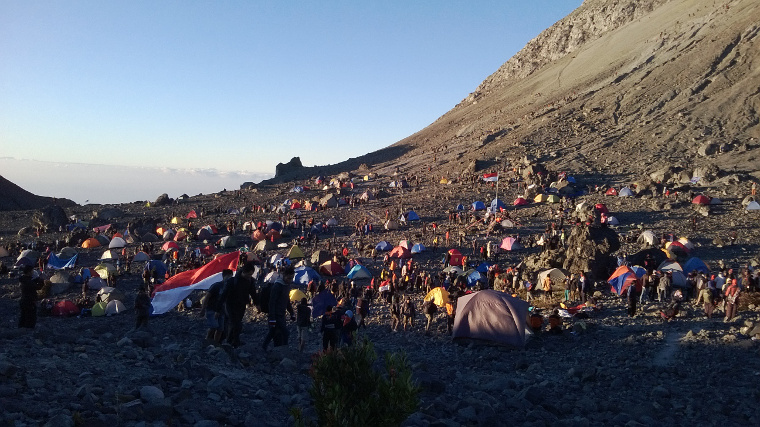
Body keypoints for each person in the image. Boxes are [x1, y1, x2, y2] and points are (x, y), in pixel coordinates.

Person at [220, 262, 257, 348]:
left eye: (251, 274)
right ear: (243, 272)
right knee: (236, 324)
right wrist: (218, 309)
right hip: (230, 305)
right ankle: (232, 341)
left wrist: (257, 303)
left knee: (236, 323)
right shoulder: (233, 281)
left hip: (241, 305)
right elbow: (224, 295)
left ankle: (232, 341)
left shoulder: (250, 281)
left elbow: (253, 293)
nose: (249, 276)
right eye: (248, 274)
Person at [265, 265, 295, 349]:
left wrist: (292, 313)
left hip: (282, 314)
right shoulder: (277, 286)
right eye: (289, 278)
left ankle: (264, 347)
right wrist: (272, 318)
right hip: (276, 315)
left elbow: (287, 301)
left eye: (292, 278)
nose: (290, 280)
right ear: (284, 275)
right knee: (285, 333)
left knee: (273, 332)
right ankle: (284, 350)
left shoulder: (286, 285)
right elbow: (272, 302)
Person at [200, 269, 233, 344]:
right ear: (224, 276)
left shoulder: (229, 287)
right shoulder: (216, 286)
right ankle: (207, 341)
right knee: (213, 327)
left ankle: (216, 344)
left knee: (220, 329)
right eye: (228, 277)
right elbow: (207, 297)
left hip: (221, 310)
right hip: (211, 309)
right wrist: (203, 309)